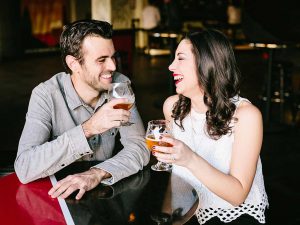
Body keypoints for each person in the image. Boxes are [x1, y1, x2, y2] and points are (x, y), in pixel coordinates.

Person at [14, 19, 150, 200]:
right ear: (73, 64)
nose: (113, 66)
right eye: (102, 60)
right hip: (57, 196)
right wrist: (89, 129)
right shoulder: (46, 95)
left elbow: (139, 146)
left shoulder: (120, 86)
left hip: (102, 195)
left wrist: (97, 173)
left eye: (113, 57)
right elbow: (24, 168)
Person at [153, 29, 269, 224]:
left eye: (180, 59)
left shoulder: (246, 116)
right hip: (192, 213)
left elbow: (237, 195)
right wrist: (168, 218)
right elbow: (178, 180)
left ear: (206, 63)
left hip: (237, 217)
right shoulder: (172, 107)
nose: (171, 66)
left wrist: (189, 158)